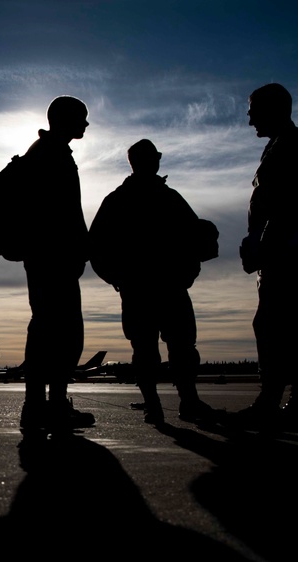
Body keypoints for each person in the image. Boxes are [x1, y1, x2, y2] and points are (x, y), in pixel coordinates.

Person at [90, 139, 218, 425]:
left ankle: (182, 403)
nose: (156, 161)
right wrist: (118, 279)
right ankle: (161, 405)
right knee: (151, 351)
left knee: (177, 348)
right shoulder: (128, 200)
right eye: (153, 157)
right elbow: (96, 246)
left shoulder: (162, 198)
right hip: (148, 288)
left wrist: (189, 271)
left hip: (164, 287)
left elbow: (195, 236)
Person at [235, 83, 298, 432]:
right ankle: (280, 401)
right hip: (276, 248)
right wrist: (255, 241)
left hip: (292, 246)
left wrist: (267, 238)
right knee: (275, 323)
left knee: (290, 323)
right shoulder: (275, 147)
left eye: (254, 111)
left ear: (275, 109)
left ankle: (290, 402)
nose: (250, 120)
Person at [18, 95, 95, 434]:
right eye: (82, 117)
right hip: (52, 260)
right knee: (56, 331)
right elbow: (55, 214)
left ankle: (46, 405)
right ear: (64, 119)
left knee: (55, 331)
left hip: (52, 258)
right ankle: (41, 406)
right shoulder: (48, 155)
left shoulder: (52, 153)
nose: (87, 124)